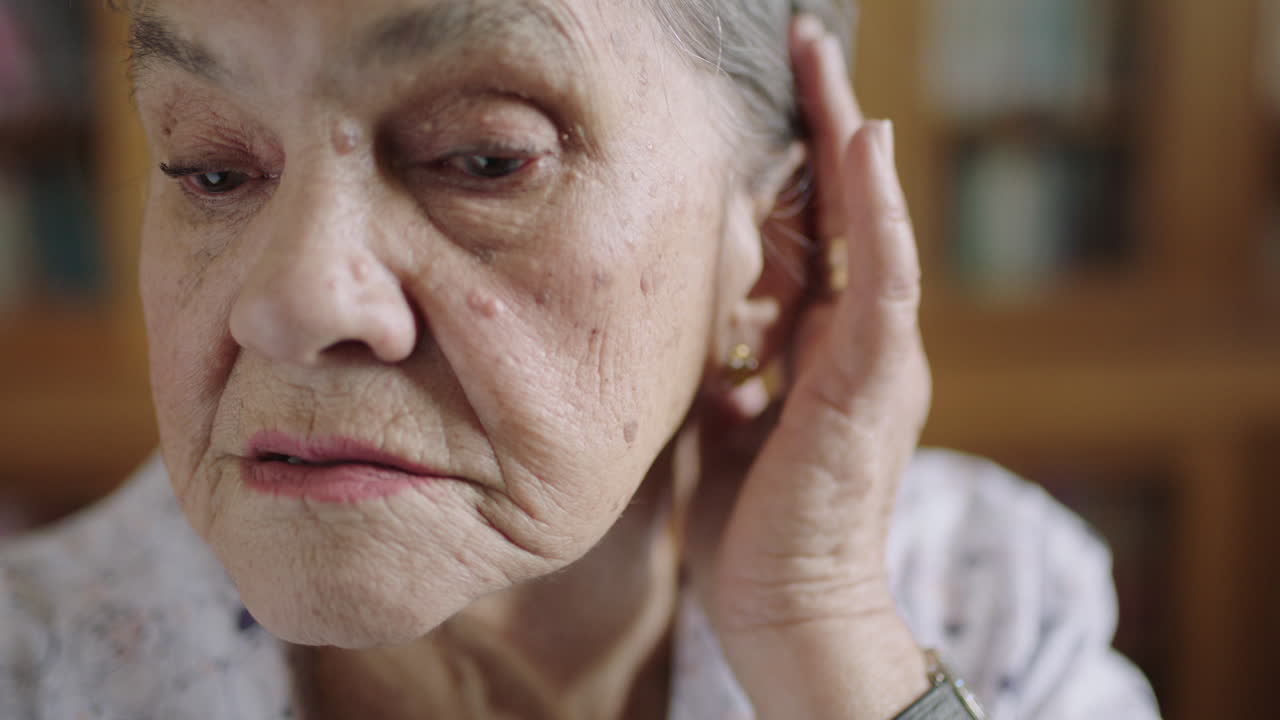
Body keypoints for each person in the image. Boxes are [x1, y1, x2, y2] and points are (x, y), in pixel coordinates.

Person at [1, 1, 1161, 718]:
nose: (294, 300)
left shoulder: (991, 615)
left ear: (763, 262)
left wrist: (825, 643)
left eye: (482, 158)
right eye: (211, 169)